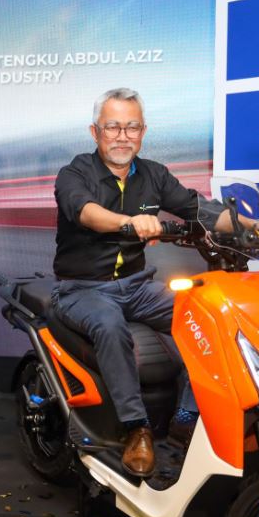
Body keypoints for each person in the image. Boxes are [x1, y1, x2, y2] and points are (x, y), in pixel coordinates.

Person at [52, 87, 241, 478]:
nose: (123, 136)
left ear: (143, 132)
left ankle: (187, 416)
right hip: (81, 289)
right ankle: (136, 429)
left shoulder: (154, 174)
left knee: (209, 314)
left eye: (132, 127)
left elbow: (200, 210)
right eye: (113, 127)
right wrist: (129, 222)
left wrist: (253, 227)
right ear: (95, 132)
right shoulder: (75, 173)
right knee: (109, 325)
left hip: (138, 287)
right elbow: (87, 213)